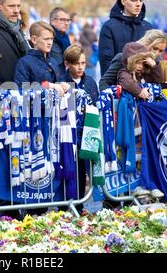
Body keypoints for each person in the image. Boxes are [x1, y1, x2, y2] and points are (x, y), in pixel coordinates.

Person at [63, 44, 99, 213]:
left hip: (86, 132)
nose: (80, 67)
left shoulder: (90, 82)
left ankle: (81, 204)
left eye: (83, 63)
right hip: (68, 134)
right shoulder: (61, 82)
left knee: (86, 170)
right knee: (72, 170)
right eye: (76, 63)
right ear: (68, 64)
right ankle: (67, 205)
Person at [98, 0, 153, 75]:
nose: (138, 4)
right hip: (118, 83)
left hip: (145, 84)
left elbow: (154, 58)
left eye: (141, 0)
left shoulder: (148, 28)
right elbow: (106, 61)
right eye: (134, 0)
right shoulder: (109, 27)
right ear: (123, 1)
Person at [99, 29, 167, 90]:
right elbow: (104, 82)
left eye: (161, 51)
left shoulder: (155, 62)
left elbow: (161, 84)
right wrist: (113, 98)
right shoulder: (123, 57)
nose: (156, 53)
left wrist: (155, 67)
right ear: (146, 43)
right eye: (155, 48)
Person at [14, 21, 68, 95]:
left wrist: (62, 86)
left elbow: (57, 85)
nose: (50, 42)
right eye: (46, 39)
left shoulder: (54, 61)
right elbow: (22, 91)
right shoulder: (24, 62)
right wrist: (47, 85)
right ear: (34, 40)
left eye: (51, 39)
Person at [49, 7, 71, 76]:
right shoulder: (47, 38)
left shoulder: (65, 37)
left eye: (68, 20)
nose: (66, 23)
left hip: (63, 77)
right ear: (52, 21)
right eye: (62, 20)